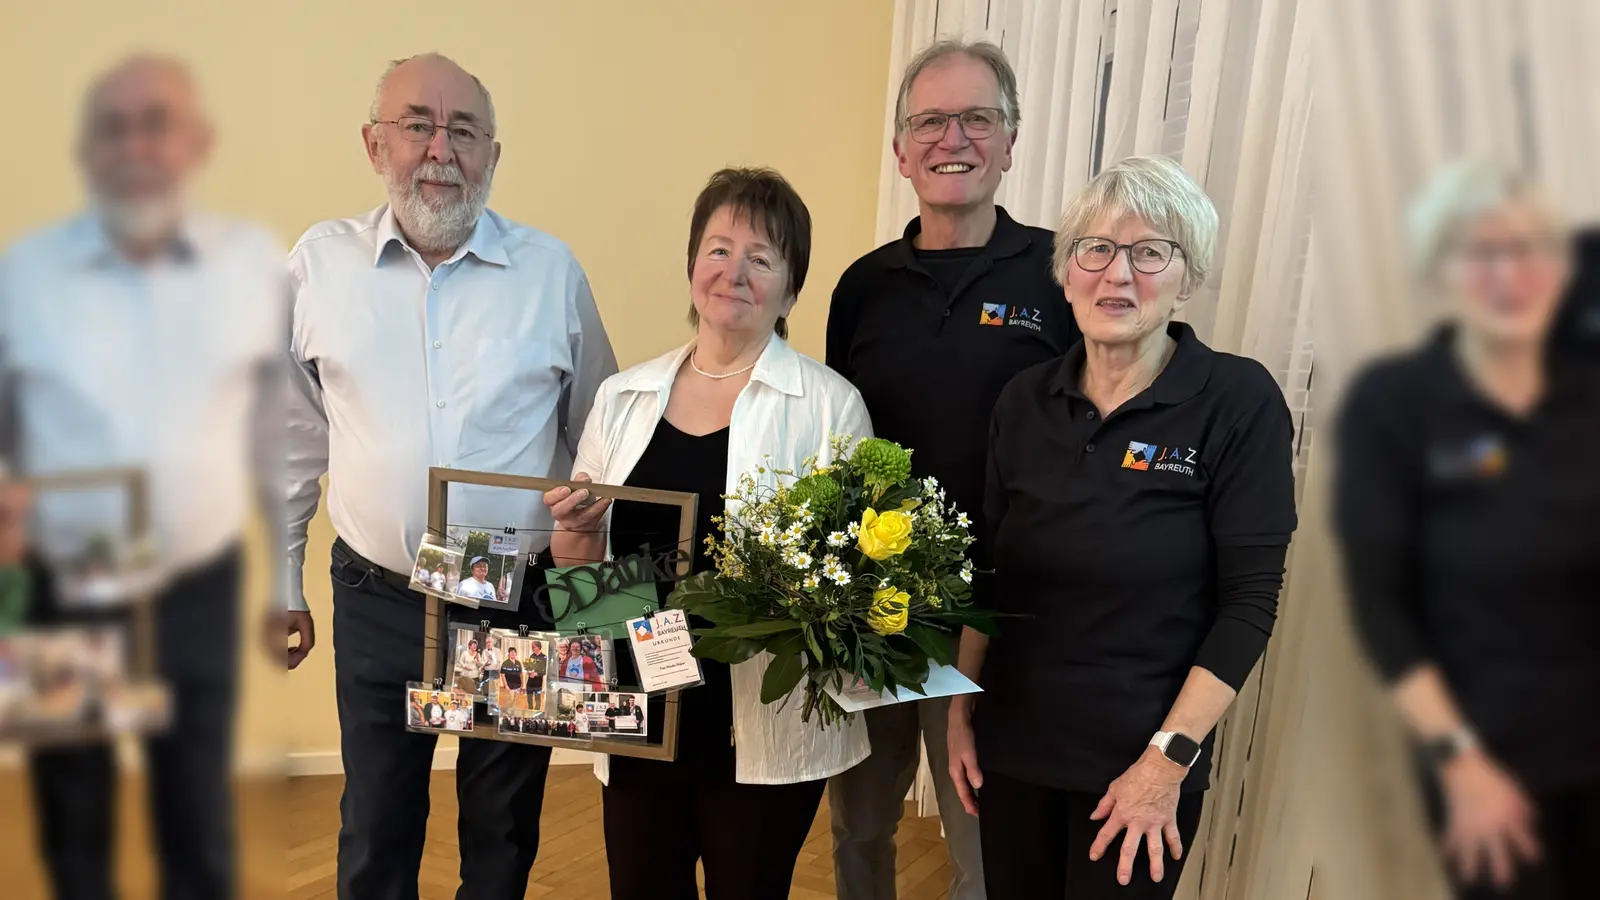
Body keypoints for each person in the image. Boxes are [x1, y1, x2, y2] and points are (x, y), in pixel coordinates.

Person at [283, 53, 617, 899]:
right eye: (417, 125)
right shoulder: (319, 267)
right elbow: (290, 440)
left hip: (517, 595)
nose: (441, 149)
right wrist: (282, 580)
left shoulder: (552, 274)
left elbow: (602, 451)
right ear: (374, 144)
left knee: (503, 838)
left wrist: (599, 614)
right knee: (377, 828)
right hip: (379, 595)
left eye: (463, 131)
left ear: (493, 156)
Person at [948, 156, 1298, 898]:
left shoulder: (1236, 399)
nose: (1118, 276)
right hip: (1012, 749)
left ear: (1186, 275)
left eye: (1150, 253)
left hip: (1138, 768)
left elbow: (1249, 604)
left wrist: (1165, 763)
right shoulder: (1023, 399)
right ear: (1067, 270)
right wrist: (960, 708)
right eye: (1096, 249)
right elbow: (991, 572)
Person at [546, 167, 874, 900]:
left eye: (762, 257)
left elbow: (846, 584)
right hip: (638, 707)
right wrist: (570, 540)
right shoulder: (622, 398)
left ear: (791, 289)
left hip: (758, 720)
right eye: (719, 249)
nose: (735, 271)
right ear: (692, 266)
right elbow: (580, 572)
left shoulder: (828, 407)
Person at [0, 54, 284, 900]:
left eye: (157, 123)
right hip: (64, 581)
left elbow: (277, 434)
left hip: (196, 583)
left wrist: (284, 578)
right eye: (113, 128)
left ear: (198, 141)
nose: (136, 147)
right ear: (87, 151)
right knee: (74, 815)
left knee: (196, 814)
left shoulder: (253, 266)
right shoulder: (25, 276)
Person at [824, 39, 1081, 900]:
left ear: (1011, 142)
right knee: (860, 824)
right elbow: (843, 444)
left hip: (1002, 620)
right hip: (878, 612)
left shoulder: (1058, 277)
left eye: (978, 117)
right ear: (901, 151)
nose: (953, 138)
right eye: (930, 120)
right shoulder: (862, 287)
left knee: (983, 840)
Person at [1333, 162, 1600, 900]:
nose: (1510, 275)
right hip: (1486, 758)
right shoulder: (1397, 403)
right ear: (1441, 271)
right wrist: (1463, 765)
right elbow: (1381, 607)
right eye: (1482, 253)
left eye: (1531, 250)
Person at [499, 645, 524, 710]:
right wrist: (506, 685)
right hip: (510, 685)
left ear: (516, 654)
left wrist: (522, 684)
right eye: (511, 652)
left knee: (515, 699)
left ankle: (512, 709)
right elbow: (502, 675)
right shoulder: (505, 663)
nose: (513, 653)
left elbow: (521, 674)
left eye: (514, 652)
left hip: (518, 685)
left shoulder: (518, 663)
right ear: (509, 654)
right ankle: (507, 710)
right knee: (510, 699)